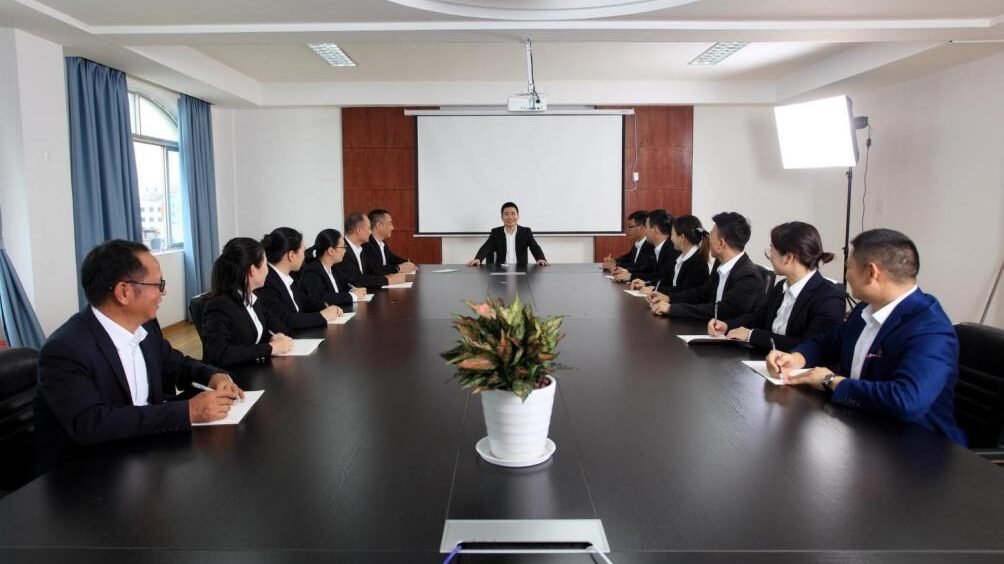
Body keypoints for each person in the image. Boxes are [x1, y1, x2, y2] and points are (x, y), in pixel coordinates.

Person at [34, 240, 244, 468]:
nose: (163, 293)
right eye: (158, 284)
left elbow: (174, 363)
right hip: (89, 471)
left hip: (146, 452)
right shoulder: (65, 349)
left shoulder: (146, 326)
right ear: (124, 291)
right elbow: (92, 423)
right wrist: (187, 411)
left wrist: (213, 376)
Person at [767, 229, 966, 445]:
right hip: (862, 429)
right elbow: (829, 341)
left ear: (872, 272)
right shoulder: (868, 308)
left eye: (849, 268)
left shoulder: (930, 330)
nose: (846, 275)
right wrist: (796, 358)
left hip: (918, 449)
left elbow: (906, 401)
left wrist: (831, 381)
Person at [709, 221, 845, 351]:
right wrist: (726, 325)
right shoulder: (782, 286)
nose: (770, 255)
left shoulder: (829, 298)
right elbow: (759, 317)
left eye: (772, 250)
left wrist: (751, 335)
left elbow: (809, 345)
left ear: (788, 257)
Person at [649, 211, 765, 320]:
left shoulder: (748, 276)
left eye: (711, 235)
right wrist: (669, 298)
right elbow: (701, 293)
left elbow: (720, 311)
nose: (708, 240)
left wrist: (672, 309)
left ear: (721, 243)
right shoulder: (720, 263)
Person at [201, 237, 295, 367]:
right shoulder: (219, 306)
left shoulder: (253, 297)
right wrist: (271, 348)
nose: (268, 270)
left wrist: (278, 335)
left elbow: (274, 325)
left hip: (254, 370)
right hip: (233, 380)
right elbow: (219, 354)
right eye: (265, 264)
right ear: (252, 270)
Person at [257, 227, 343, 328]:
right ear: (292, 255)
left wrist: (326, 307)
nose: (304, 256)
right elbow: (285, 320)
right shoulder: (267, 282)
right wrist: (322, 316)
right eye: (303, 250)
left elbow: (304, 301)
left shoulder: (287, 276)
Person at [631, 214, 710, 295]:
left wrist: (655, 290)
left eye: (672, 234)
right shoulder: (682, 257)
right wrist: (647, 284)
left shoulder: (698, 263)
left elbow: (685, 292)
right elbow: (668, 280)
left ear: (682, 237)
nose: (671, 238)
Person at [301, 228, 368, 311]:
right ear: (331, 251)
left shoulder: (334, 268)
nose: (345, 251)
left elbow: (346, 285)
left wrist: (354, 289)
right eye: (343, 247)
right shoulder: (312, 271)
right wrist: (352, 296)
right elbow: (321, 298)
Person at [338, 212, 409, 289]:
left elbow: (372, 270)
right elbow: (357, 279)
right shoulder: (342, 250)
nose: (371, 232)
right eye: (369, 228)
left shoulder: (360, 249)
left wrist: (389, 276)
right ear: (359, 231)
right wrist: (388, 280)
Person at [466, 202, 549, 267]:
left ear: (518, 216)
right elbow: (486, 247)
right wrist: (478, 259)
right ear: (502, 217)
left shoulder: (526, 232)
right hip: (501, 270)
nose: (510, 217)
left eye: (513, 214)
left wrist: (540, 258)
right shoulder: (496, 232)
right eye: (506, 214)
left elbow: (534, 247)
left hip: (521, 270)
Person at [614, 209, 679, 286]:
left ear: (655, 229)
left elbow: (665, 279)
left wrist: (632, 277)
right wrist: (632, 276)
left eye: (646, 227)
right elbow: (651, 272)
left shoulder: (673, 250)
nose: (645, 232)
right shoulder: (660, 248)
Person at [363, 209, 418, 276]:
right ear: (379, 226)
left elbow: (393, 259)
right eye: (390, 223)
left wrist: (408, 263)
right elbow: (375, 269)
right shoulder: (366, 245)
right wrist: (398, 268)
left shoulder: (382, 244)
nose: (392, 227)